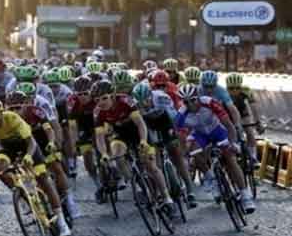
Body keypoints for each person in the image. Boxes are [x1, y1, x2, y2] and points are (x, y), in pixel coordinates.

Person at [0, 98, 71, 236]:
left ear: (0, 114)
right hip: (7, 148)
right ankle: (22, 197)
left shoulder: (13, 118)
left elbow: (31, 142)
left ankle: (61, 221)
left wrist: (28, 156)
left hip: (27, 146)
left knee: (44, 180)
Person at [92, 80, 175, 215]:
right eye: (97, 100)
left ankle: (167, 198)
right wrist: (104, 154)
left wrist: (143, 141)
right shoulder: (98, 112)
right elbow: (99, 137)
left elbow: (141, 124)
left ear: (112, 95)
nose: (101, 102)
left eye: (104, 98)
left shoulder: (126, 101)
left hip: (138, 131)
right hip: (120, 134)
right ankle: (136, 184)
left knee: (151, 166)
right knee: (116, 153)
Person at [175, 84, 256, 214]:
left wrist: (233, 143)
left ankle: (245, 196)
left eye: (193, 100)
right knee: (194, 152)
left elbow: (228, 125)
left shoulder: (209, 102)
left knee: (230, 158)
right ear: (182, 103)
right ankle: (210, 178)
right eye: (186, 102)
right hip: (200, 134)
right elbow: (182, 139)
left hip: (217, 130)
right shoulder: (181, 115)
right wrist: (185, 155)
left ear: (198, 97)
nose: (190, 104)